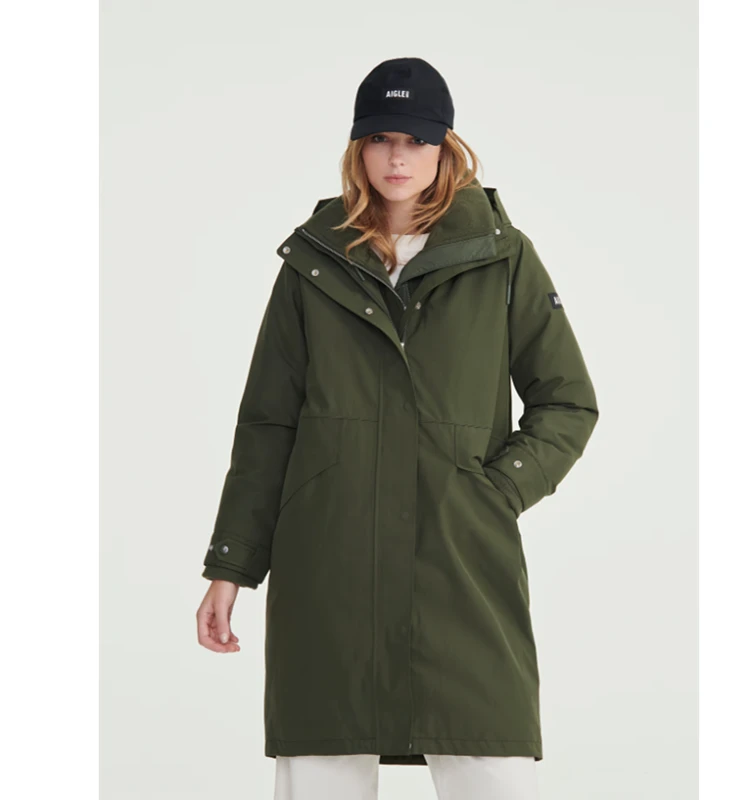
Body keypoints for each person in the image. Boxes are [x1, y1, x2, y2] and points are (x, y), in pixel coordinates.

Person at [196, 57, 599, 800]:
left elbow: (568, 401)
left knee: (490, 762)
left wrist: (497, 491)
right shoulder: (313, 263)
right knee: (322, 766)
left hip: (460, 562)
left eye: (416, 140)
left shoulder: (503, 257)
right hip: (328, 567)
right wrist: (232, 566)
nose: (398, 157)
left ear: (446, 146)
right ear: (359, 146)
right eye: (381, 138)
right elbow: (268, 425)